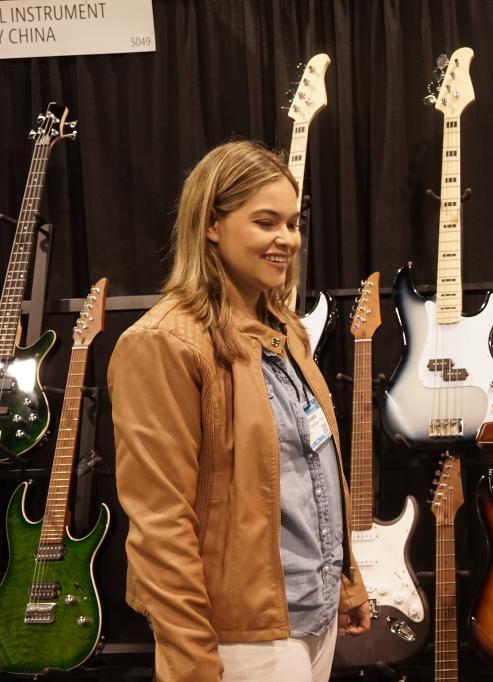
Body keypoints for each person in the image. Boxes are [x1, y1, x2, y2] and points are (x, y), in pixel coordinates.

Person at [108, 140, 370, 682]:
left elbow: (313, 471)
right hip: (239, 637)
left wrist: (346, 584)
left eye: (292, 224)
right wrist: (190, 658)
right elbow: (160, 523)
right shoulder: (162, 343)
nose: (286, 239)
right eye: (265, 222)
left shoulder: (284, 330)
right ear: (211, 224)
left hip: (312, 615)